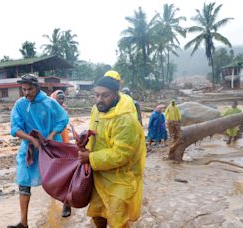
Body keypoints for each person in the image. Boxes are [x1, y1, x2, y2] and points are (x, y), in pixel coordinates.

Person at [78, 74, 146, 228]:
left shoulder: (125, 120)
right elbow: (93, 134)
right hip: (99, 173)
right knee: (97, 212)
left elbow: (121, 154)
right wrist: (85, 143)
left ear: (116, 94)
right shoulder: (96, 110)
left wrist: (90, 157)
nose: (99, 100)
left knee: (118, 220)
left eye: (105, 95)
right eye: (96, 95)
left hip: (120, 177)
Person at [9, 74, 68, 228]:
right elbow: (15, 128)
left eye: (29, 89)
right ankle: (24, 223)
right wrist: (31, 139)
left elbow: (63, 119)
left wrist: (52, 135)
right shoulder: (20, 105)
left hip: (50, 147)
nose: (26, 93)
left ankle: (67, 202)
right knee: (23, 182)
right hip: (30, 148)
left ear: (37, 87)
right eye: (24, 90)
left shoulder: (49, 103)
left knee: (57, 179)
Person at [49, 89, 71, 217]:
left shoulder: (63, 110)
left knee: (64, 175)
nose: (61, 100)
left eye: (63, 98)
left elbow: (64, 126)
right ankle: (55, 199)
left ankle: (66, 204)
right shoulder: (48, 109)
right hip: (52, 143)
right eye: (59, 98)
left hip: (63, 142)